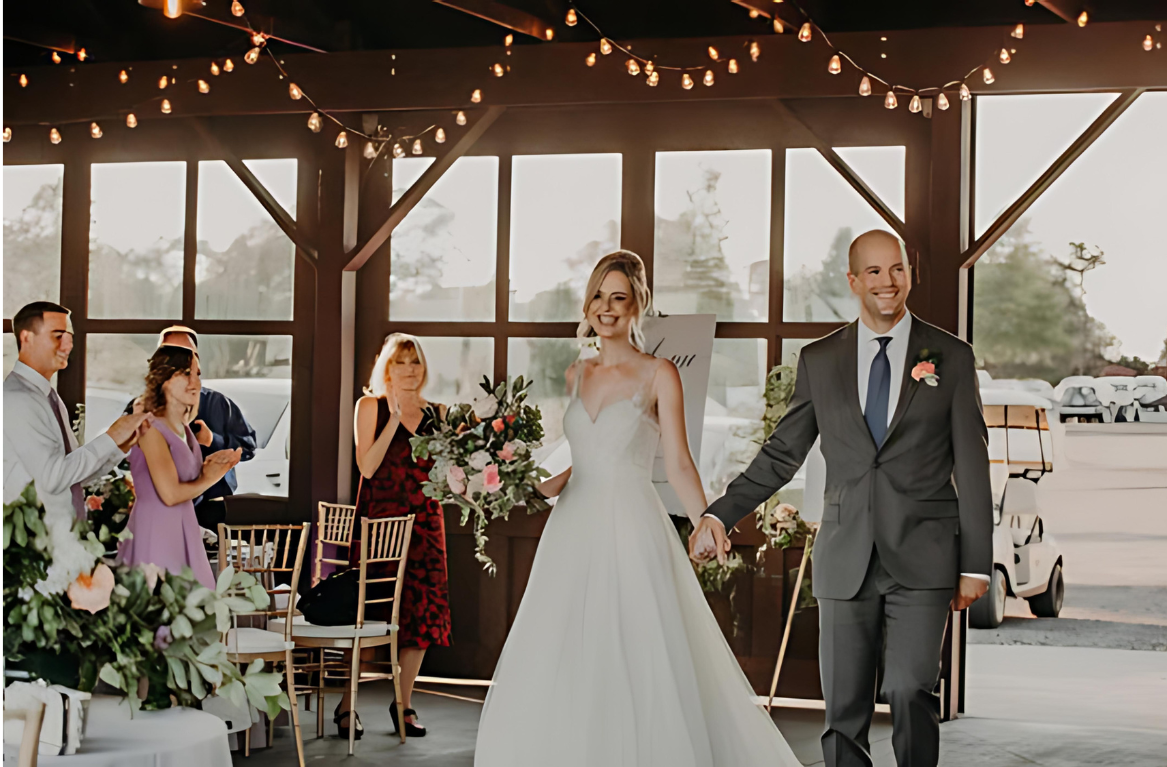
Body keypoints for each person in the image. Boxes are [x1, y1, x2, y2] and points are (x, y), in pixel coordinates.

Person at [474, 252, 800, 766]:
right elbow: (581, 457)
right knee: (567, 651)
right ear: (588, 303)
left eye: (618, 297)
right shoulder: (576, 373)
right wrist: (520, 484)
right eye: (599, 296)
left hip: (629, 524)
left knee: (632, 649)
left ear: (637, 304)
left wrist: (705, 523)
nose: (606, 307)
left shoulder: (659, 373)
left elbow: (679, 465)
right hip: (572, 528)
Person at [691, 230, 993, 767]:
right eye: (873, 272)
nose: (887, 282)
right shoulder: (820, 360)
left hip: (923, 556)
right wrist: (720, 512)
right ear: (853, 281)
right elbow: (782, 453)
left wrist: (975, 564)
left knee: (908, 689)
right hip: (845, 552)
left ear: (909, 273)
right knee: (843, 712)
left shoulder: (949, 356)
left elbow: (971, 464)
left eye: (896, 269)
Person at [335, 333, 451, 740]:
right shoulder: (370, 406)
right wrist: (396, 420)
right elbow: (366, 467)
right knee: (368, 616)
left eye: (415, 362)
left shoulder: (439, 413)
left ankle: (403, 705)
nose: (409, 370)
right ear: (387, 367)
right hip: (380, 525)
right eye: (400, 363)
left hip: (425, 526)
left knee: (422, 618)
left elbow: (444, 474)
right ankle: (348, 705)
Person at [4, 302, 151, 520]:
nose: (67, 346)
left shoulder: (49, 396)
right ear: (27, 339)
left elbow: (74, 476)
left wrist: (119, 446)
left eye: (69, 337)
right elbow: (53, 478)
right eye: (57, 336)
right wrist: (110, 437)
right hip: (35, 544)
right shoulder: (17, 398)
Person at [118, 345, 241, 589]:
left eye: (198, 374)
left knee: (195, 618)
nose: (195, 382)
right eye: (186, 373)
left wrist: (210, 466)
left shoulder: (185, 428)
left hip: (184, 528)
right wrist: (210, 477)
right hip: (156, 531)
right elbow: (171, 494)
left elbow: (186, 482)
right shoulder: (151, 426)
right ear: (163, 378)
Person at [126, 326, 257, 529]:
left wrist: (212, 440)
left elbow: (247, 447)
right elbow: (122, 457)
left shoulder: (219, 404)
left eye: (191, 360)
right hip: (161, 512)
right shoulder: (142, 412)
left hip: (213, 508)